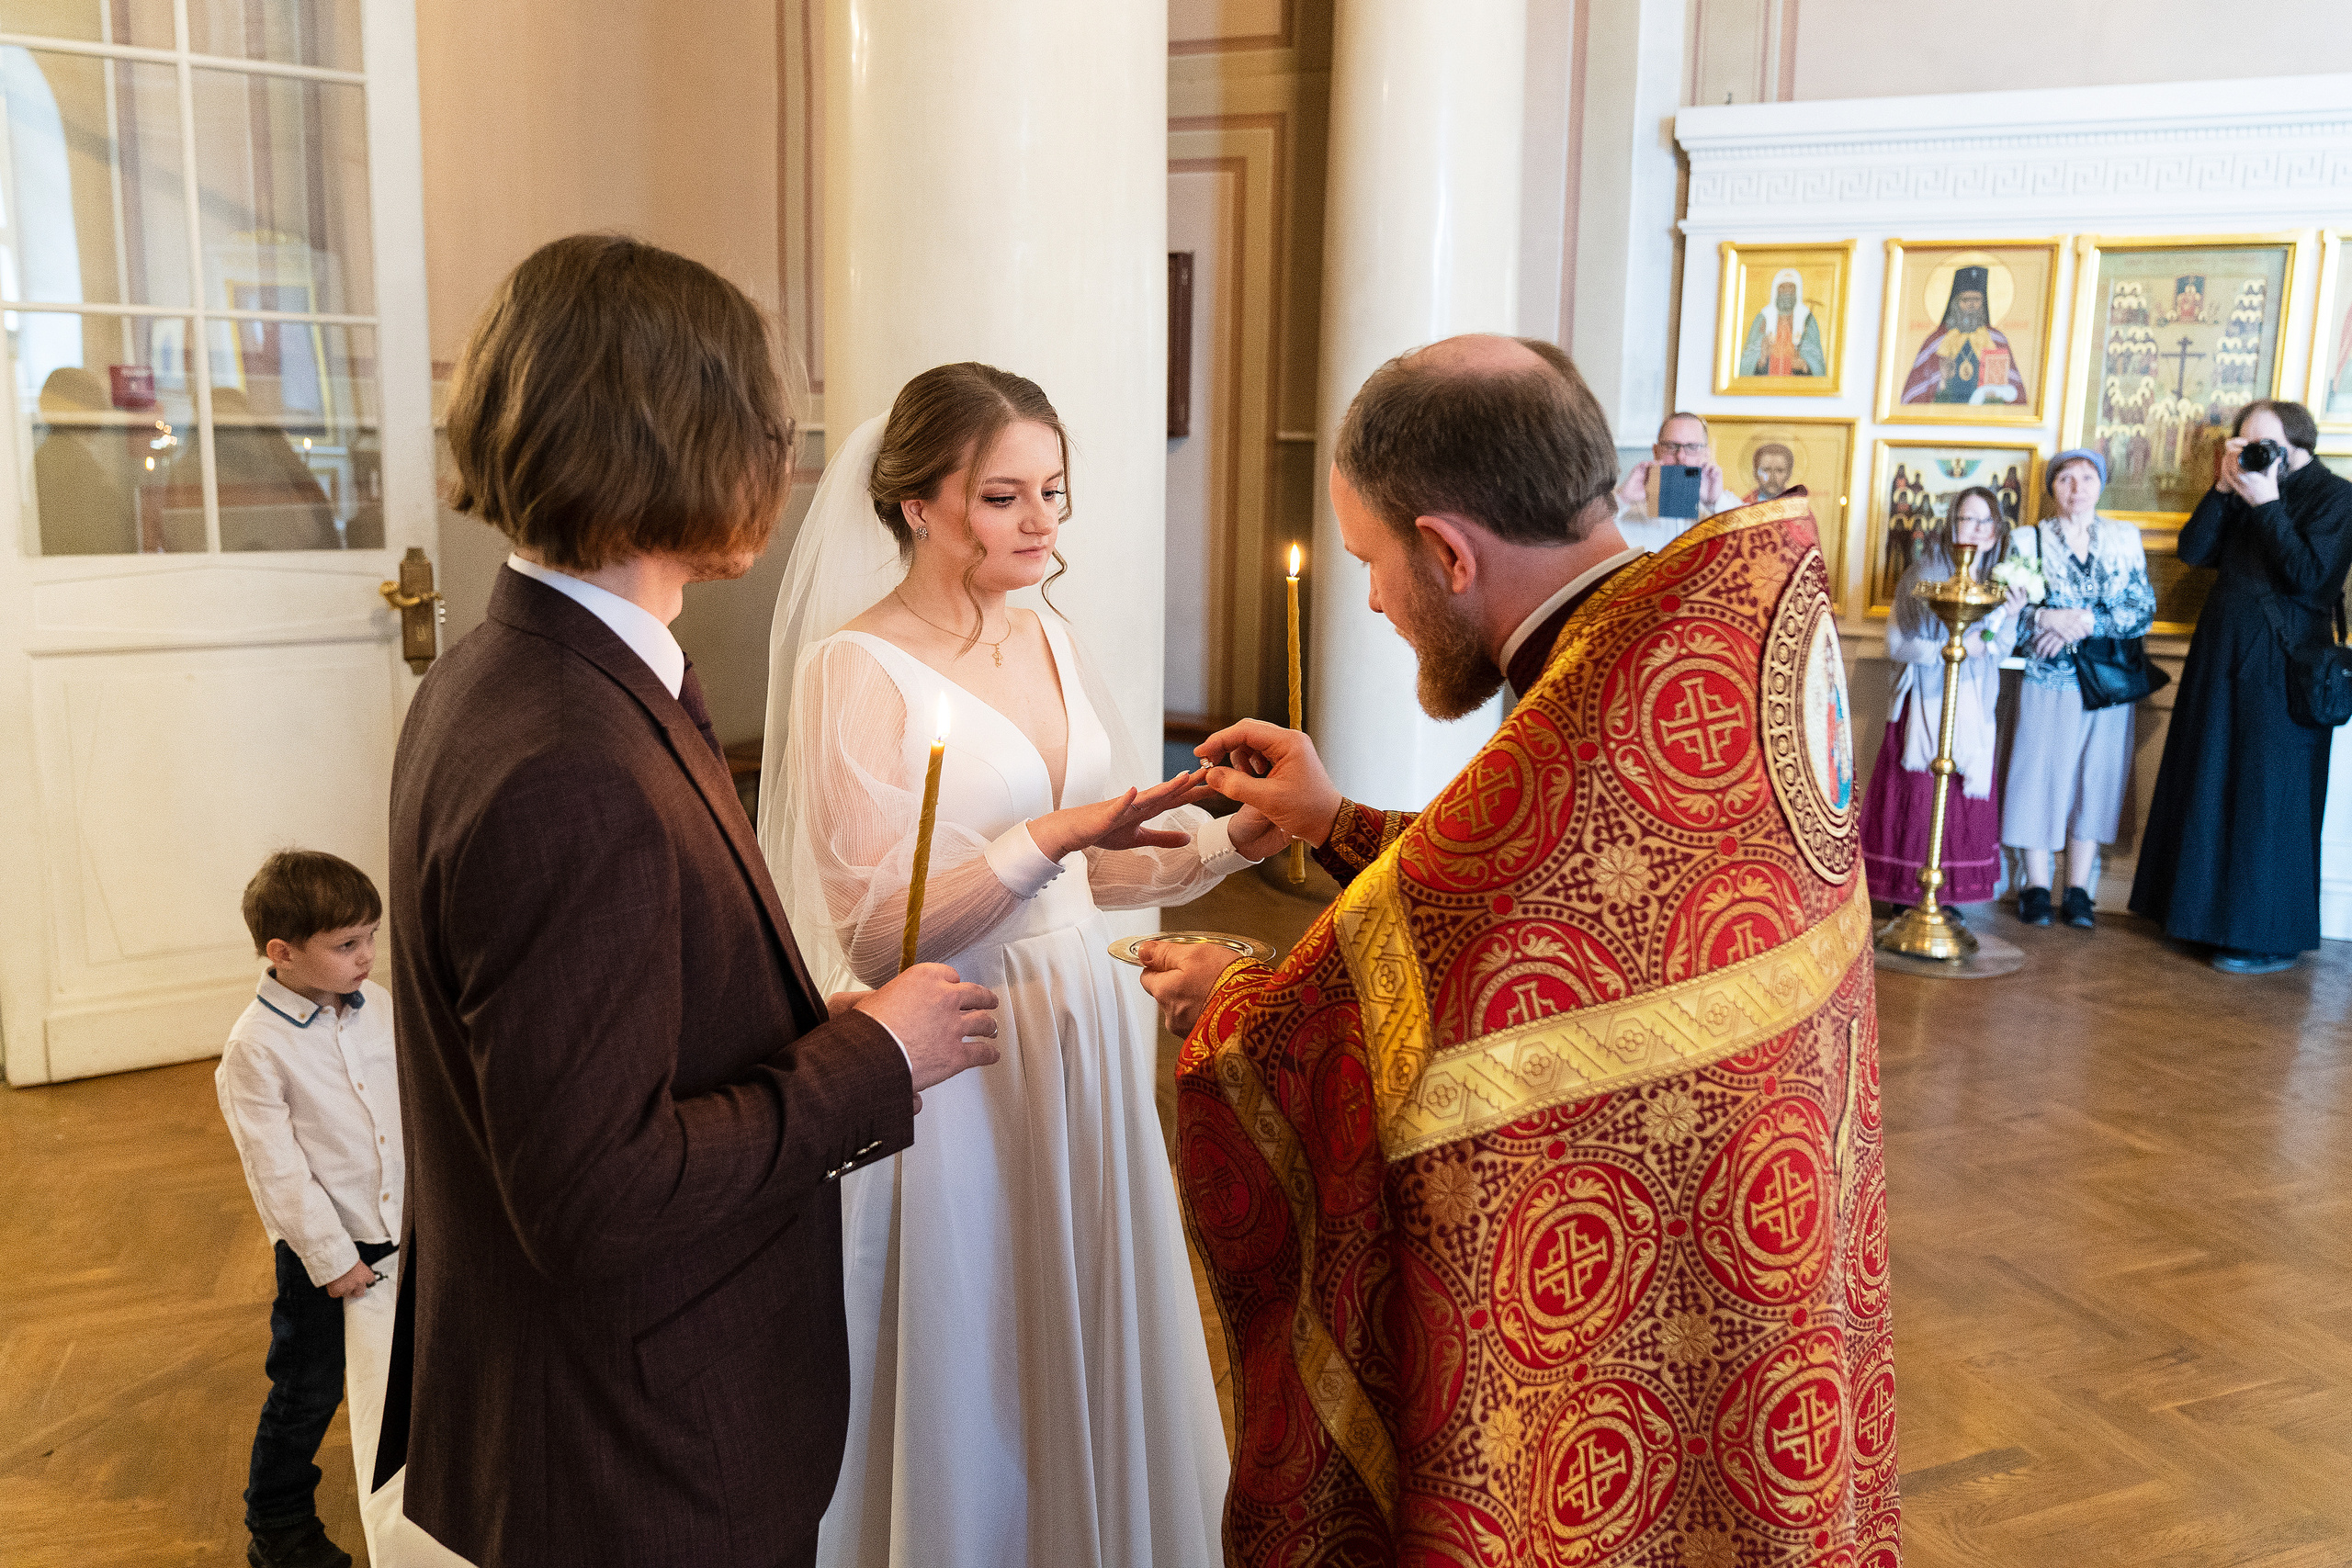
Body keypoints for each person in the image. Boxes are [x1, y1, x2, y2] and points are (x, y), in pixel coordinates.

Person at [1140, 334, 1896, 1564]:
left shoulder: (1595, 714)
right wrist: (1334, 824)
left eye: (1374, 564)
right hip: (1758, 1276)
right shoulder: (1690, 644)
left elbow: (1473, 937)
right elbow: (1531, 901)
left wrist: (1236, 998)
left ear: (1445, 548)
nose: (1376, 602)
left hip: (1651, 1294)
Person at [381, 235, 1001, 1568]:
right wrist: (869, 1056)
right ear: (681, 438)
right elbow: (596, 1190)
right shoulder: (565, 756)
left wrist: (785, 1021)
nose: (781, 460)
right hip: (640, 1448)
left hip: (618, 1407)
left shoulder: (519, 671)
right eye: (762, 420)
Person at [759, 362, 1280, 1568]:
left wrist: (1229, 839)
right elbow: (880, 930)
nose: (1043, 521)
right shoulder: (857, 668)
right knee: (979, 1328)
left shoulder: (1049, 636)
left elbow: (1094, 873)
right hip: (959, 1038)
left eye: (1052, 490)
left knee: (1085, 1310)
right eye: (1003, 496)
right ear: (916, 505)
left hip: (1082, 1022)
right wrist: (1042, 832)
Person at [216, 851, 400, 1568]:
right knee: (306, 1391)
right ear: (283, 953)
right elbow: (278, 1172)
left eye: (370, 937)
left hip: (397, 1226)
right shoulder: (254, 1050)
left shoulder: (377, 1006)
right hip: (324, 1254)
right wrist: (331, 1259)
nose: (367, 956)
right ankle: (280, 1524)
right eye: (346, 944)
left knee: (397, 1381)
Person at [2132, 400, 2352, 973]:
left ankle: (2264, 936)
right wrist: (2224, 489)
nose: (2253, 454)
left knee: (2268, 794)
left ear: (2297, 445)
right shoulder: (2242, 485)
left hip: (2285, 664)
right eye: (2244, 444)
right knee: (2209, 778)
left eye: (2264, 445)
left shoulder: (2336, 496)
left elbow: (2310, 579)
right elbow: (2195, 550)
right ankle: (2197, 919)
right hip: (2223, 655)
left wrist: (2271, 505)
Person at [2001, 449, 2155, 931]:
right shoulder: (2028, 540)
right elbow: (2010, 611)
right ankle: (2036, 885)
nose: (2077, 488)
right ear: (2052, 488)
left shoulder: (2124, 539)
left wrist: (2081, 621)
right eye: (2066, 479)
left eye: (2087, 478)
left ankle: (2080, 889)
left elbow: (2140, 610)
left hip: (2105, 680)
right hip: (2048, 676)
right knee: (2039, 775)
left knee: (2097, 778)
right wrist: (2045, 617)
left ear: (2100, 485)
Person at [1860, 487, 2023, 908]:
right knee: (1916, 796)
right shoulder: (1923, 575)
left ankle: (1947, 897)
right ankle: (1904, 894)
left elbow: (2002, 647)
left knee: (1958, 798)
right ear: (1952, 525)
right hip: (1925, 702)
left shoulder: (2001, 582)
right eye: (1967, 519)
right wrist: (1950, 649)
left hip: (1975, 701)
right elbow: (1897, 645)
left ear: (1996, 531)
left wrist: (2012, 617)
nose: (1976, 529)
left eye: (1985, 521)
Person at [1900, 264, 2026, 406]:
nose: (1971, 305)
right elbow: (1916, 390)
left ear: (1983, 303)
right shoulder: (1937, 341)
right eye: (1965, 300)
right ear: (1955, 303)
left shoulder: (1995, 340)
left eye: (1976, 299)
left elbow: (2014, 392)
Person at [1611, 410, 1734, 553]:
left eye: (1692, 447)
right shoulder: (1626, 504)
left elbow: (1749, 543)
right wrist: (1622, 500)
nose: (1681, 456)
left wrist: (1716, 503)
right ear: (1656, 451)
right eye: (1671, 446)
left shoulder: (1726, 503)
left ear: (1706, 454)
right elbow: (1590, 543)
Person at [1738, 267, 1826, 378]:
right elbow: (1747, 360)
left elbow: (1817, 360)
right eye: (1782, 288)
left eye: (1791, 288)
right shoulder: (1763, 317)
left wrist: (1804, 365)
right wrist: (1761, 360)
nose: (1786, 292)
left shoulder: (1806, 318)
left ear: (1797, 291)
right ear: (1775, 290)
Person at [1747, 439, 1797, 503]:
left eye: (1779, 470)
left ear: (1789, 474)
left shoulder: (1798, 504)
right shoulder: (1743, 505)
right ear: (1755, 473)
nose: (1772, 477)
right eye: (1766, 470)